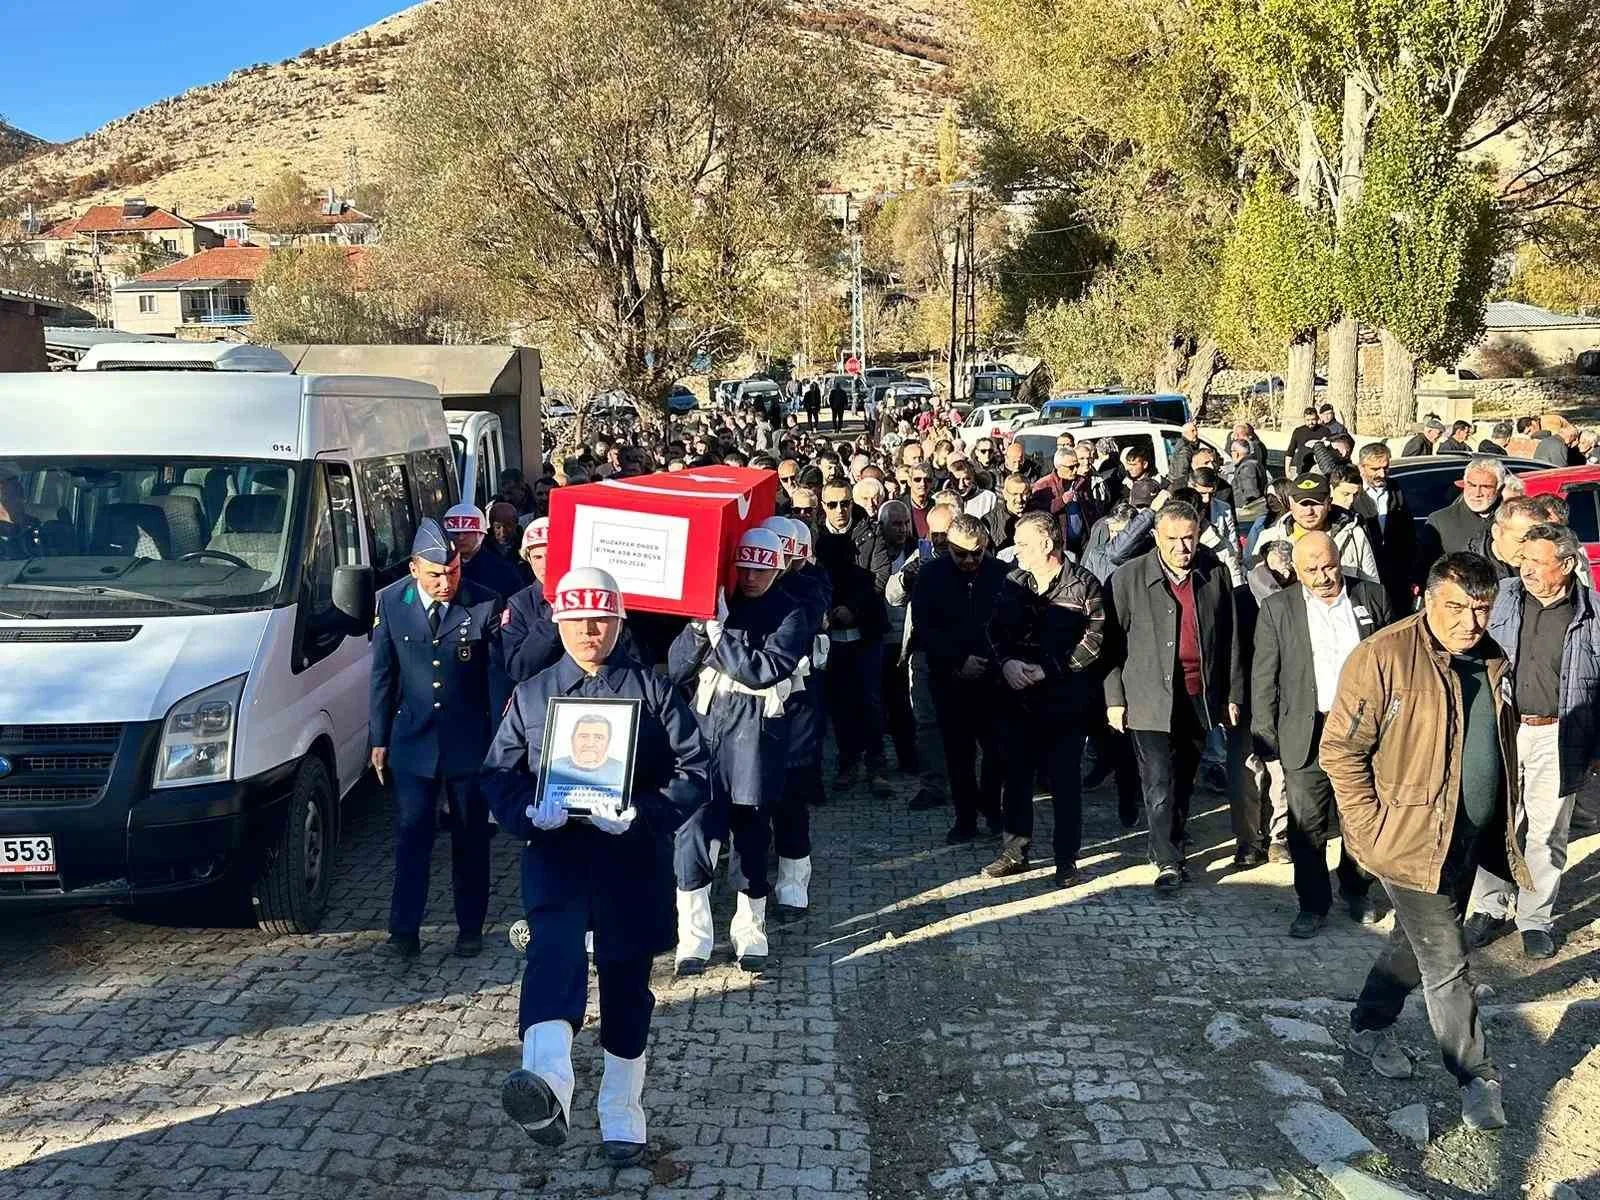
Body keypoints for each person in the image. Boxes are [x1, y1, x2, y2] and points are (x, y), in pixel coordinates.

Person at [485, 568, 709, 1165]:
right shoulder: (532, 695)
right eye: (578, 618)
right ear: (557, 620)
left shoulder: (653, 691)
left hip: (629, 859)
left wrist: (641, 812)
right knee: (552, 956)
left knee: (625, 982)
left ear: (619, 622)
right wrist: (531, 813)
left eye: (602, 619)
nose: (590, 630)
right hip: (556, 855)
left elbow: (696, 771)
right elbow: (497, 774)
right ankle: (550, 1086)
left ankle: (621, 1107)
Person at [1321, 553, 1529, 1131]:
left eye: (1482, 608)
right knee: (1447, 961)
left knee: (1412, 949)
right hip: (1410, 841)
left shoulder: (1490, 658)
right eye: (1457, 607)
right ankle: (1477, 1078)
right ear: (1429, 599)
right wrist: (1368, 832)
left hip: (1466, 839)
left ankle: (1366, 1026)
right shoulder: (1383, 657)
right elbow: (1340, 751)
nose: (1470, 620)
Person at [668, 528, 810, 974]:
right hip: (705, 727)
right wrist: (697, 625)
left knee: (749, 829)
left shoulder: (791, 613)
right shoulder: (720, 600)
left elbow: (761, 669)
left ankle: (750, 928)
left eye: (761, 569)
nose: (750, 577)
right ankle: (693, 936)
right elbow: (675, 668)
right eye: (744, 567)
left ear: (778, 568)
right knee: (692, 829)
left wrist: (718, 636)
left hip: (754, 730)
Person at [368, 518, 507, 960]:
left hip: (469, 741)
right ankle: (403, 931)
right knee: (413, 837)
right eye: (436, 575)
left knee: (470, 839)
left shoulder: (484, 604)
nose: (446, 582)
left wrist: (501, 746)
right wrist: (379, 737)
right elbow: (383, 675)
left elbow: (495, 681)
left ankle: (470, 927)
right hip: (413, 739)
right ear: (414, 569)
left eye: (453, 571)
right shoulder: (392, 602)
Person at [1466, 524, 1600, 959]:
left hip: (1558, 734)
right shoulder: (1502, 597)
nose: (1528, 570)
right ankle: (1489, 908)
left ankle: (1535, 919)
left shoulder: (1593, 613)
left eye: (1538, 563)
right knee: (1492, 819)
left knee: (1546, 832)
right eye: (1524, 561)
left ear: (1565, 565)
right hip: (1503, 727)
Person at [1251, 533, 1391, 937]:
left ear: (1340, 559)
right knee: (1306, 823)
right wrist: (1265, 736)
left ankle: (1357, 888)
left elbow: (1394, 665)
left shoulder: (1373, 598)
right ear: (1295, 569)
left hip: (1362, 730)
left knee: (1359, 818)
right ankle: (1312, 903)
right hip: (1306, 729)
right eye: (1311, 569)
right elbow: (1264, 676)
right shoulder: (1279, 608)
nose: (1323, 576)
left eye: (1328, 565)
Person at [1105, 501, 1243, 889]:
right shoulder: (1128, 578)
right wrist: (1114, 699)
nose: (1183, 548)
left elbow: (1229, 637)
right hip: (1149, 696)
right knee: (1158, 780)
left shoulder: (1214, 574)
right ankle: (1169, 860)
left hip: (1198, 694)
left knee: (1183, 777)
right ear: (1155, 537)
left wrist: (1230, 693)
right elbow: (1110, 647)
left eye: (1190, 538)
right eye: (1173, 540)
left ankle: (1168, 839)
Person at [985, 512, 1108, 885]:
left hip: (1064, 701)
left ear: (1046, 544)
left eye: (1023, 544)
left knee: (1064, 782)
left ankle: (1066, 859)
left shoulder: (1084, 585)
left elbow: (1096, 640)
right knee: (1016, 776)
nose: (1016, 551)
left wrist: (1051, 670)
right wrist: (1005, 663)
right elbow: (991, 630)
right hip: (1015, 697)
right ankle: (1014, 851)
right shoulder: (1011, 582)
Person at [909, 512, 1008, 842]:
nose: (969, 560)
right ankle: (965, 818)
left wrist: (993, 661)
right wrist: (956, 660)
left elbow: (1010, 624)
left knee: (996, 750)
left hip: (993, 678)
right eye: (961, 553)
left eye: (976, 553)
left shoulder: (999, 573)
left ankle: (992, 808)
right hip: (949, 676)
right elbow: (926, 627)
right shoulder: (931, 575)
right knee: (959, 753)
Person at [816, 521, 890, 792]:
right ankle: (848, 762)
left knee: (869, 703)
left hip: (864, 646)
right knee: (840, 707)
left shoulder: (862, 579)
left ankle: (875, 762)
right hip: (834, 650)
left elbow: (867, 605)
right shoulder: (819, 579)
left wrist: (851, 610)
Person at [1253, 474, 1380, 585]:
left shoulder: (1353, 535)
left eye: (1316, 504)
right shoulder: (1269, 538)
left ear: (1329, 503)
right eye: (1303, 504)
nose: (1309, 511)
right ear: (1291, 503)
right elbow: (1258, 587)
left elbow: (1371, 584)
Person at [1348, 443, 1417, 617]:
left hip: (1396, 576)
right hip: (1363, 574)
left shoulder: (1396, 490)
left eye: (1385, 468)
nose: (1381, 474)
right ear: (1361, 468)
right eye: (1375, 469)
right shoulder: (1352, 493)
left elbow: (1409, 535)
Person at [1420, 456, 1504, 563]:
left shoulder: (1510, 520)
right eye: (1472, 485)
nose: (1477, 493)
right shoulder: (1439, 522)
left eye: (1485, 487)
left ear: (1499, 489)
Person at [444, 501, 525, 600]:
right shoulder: (439, 570)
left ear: (481, 534)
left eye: (468, 532)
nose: (461, 538)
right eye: (456, 533)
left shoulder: (505, 571)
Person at [1285, 407, 1322, 474]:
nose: (1311, 422)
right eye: (1308, 420)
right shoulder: (1298, 432)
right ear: (1304, 419)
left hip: (1320, 471)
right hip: (1302, 470)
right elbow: (1290, 452)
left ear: (1317, 418)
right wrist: (1287, 471)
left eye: (1313, 419)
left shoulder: (1325, 431)